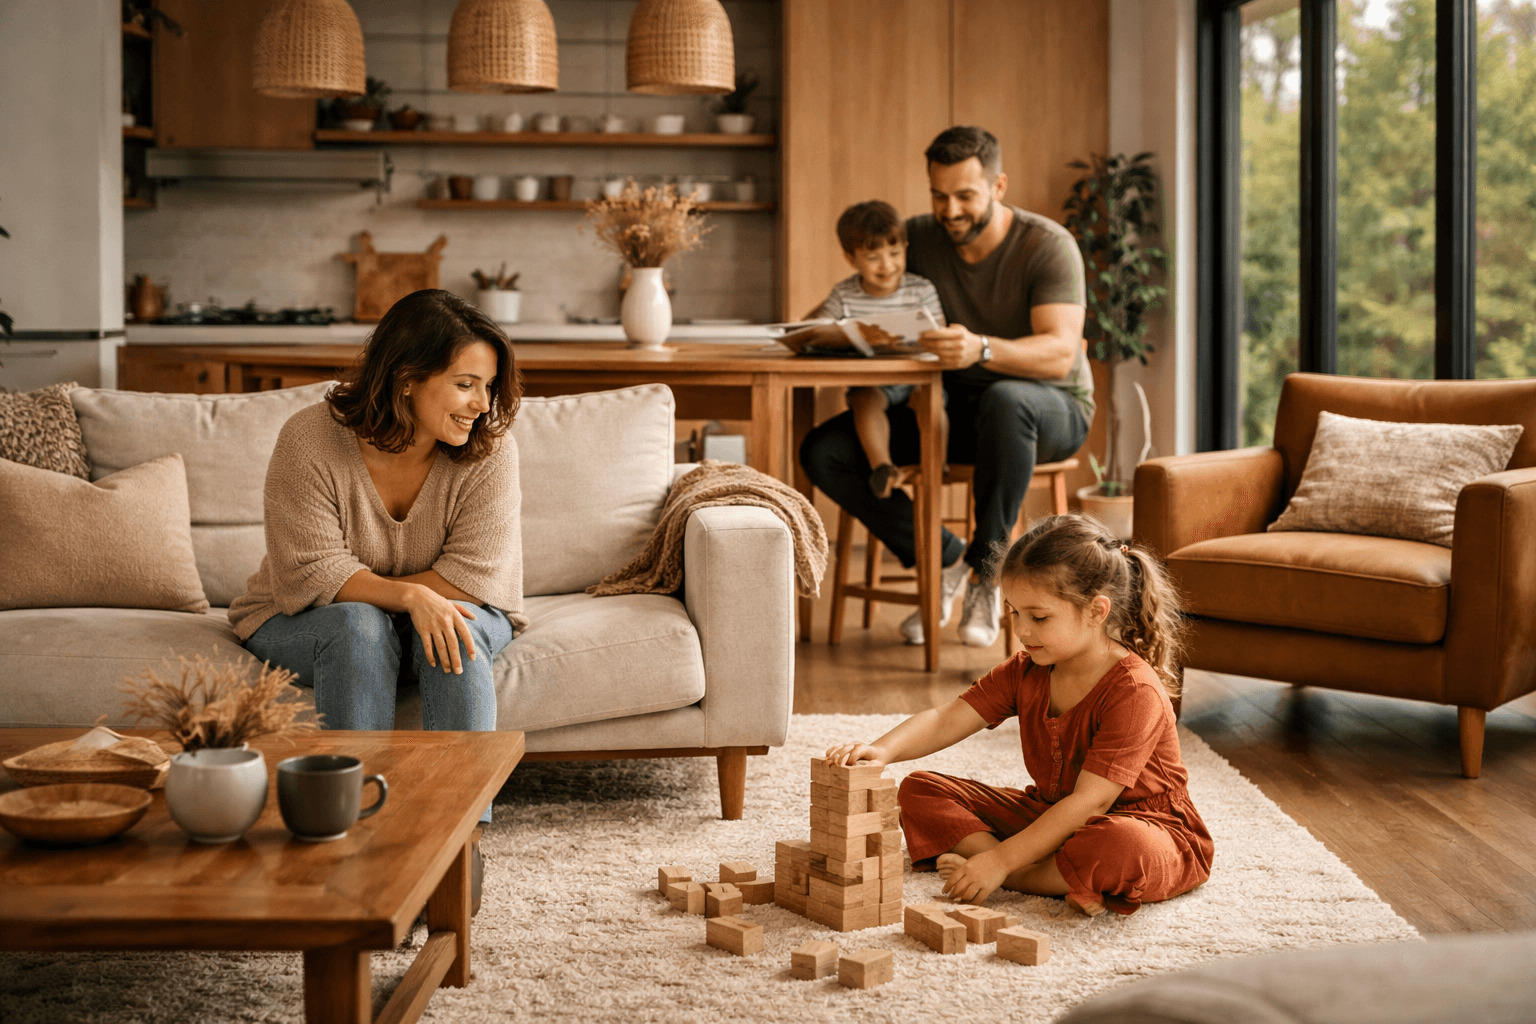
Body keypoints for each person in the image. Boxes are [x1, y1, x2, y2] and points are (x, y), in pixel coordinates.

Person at [230, 289, 525, 849]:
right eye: (465, 385)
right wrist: (410, 599)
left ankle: (459, 846)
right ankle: (354, 835)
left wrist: (405, 601)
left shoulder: (491, 451)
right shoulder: (309, 438)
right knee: (357, 625)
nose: (482, 405)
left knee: (455, 625)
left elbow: (473, 575)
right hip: (305, 617)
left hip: (455, 608)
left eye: (487, 387)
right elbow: (309, 571)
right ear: (407, 377)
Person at [824, 514, 1213, 917]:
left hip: (1147, 828)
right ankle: (1044, 870)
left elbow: (1089, 804)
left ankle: (1018, 876)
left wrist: (1001, 863)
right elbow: (947, 717)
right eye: (1013, 613)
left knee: (1120, 846)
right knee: (920, 790)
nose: (1022, 631)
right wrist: (882, 749)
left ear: (1098, 612)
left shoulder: (1134, 691)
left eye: (1039, 617)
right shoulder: (1027, 667)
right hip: (1051, 814)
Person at [800, 126, 1094, 648]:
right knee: (826, 452)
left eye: (965, 196)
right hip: (953, 409)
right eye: (939, 196)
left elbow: (1058, 353)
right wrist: (833, 330)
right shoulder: (918, 238)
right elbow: (861, 293)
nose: (950, 209)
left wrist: (982, 347)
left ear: (999, 186)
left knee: (1006, 401)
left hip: (1049, 409)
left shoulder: (1047, 245)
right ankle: (948, 556)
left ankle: (987, 574)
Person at [811, 200, 948, 499]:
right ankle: (883, 468)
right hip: (874, 381)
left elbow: (939, 333)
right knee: (863, 399)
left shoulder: (920, 290)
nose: (887, 266)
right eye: (873, 257)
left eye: (895, 253)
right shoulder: (844, 294)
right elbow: (819, 329)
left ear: (906, 248)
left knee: (932, 399)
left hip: (918, 378)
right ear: (851, 258)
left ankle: (937, 464)